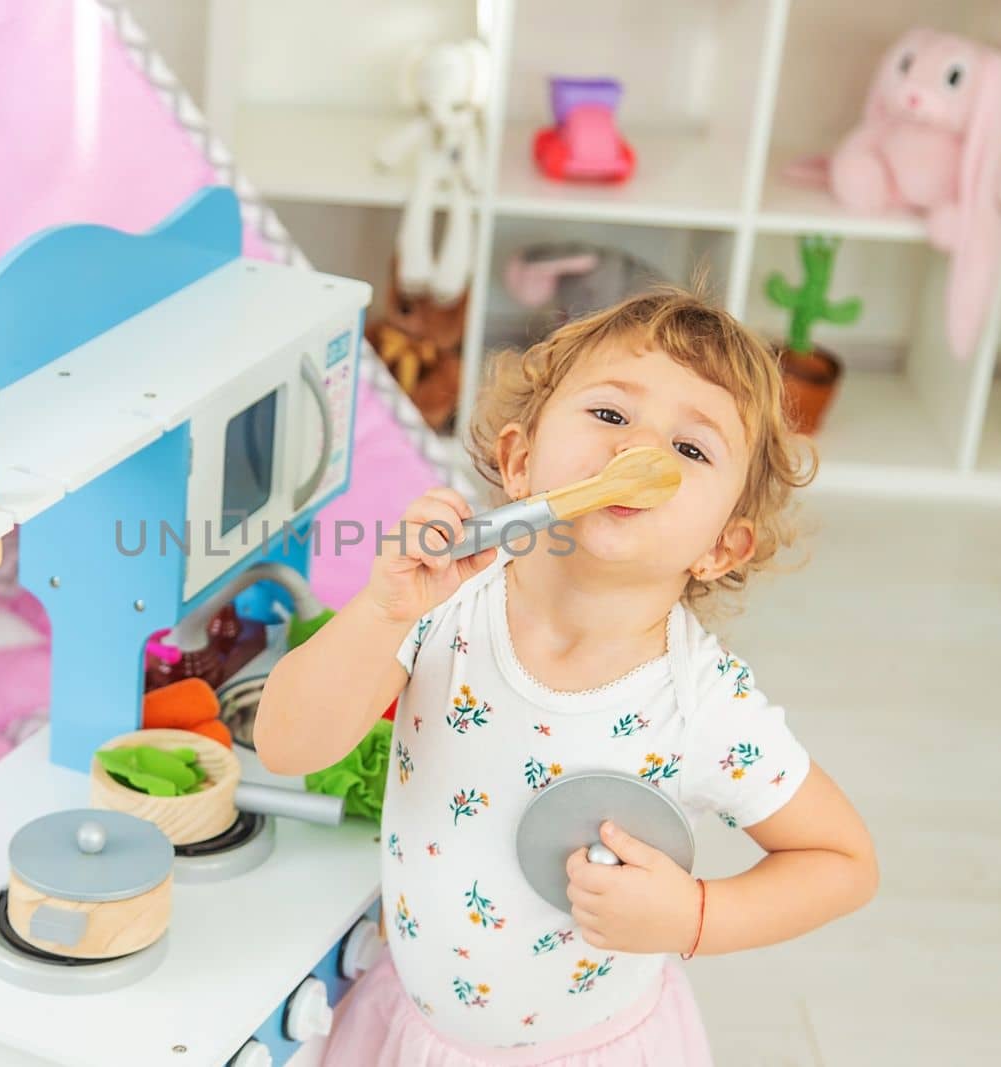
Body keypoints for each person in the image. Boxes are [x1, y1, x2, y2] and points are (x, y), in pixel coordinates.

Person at [255, 287, 879, 1065]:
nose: (637, 450)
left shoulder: (703, 704)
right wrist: (382, 611)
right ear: (520, 462)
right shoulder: (441, 606)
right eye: (611, 415)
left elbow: (843, 863)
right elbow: (285, 746)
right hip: (412, 1030)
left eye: (690, 449)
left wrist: (693, 914)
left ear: (722, 545)